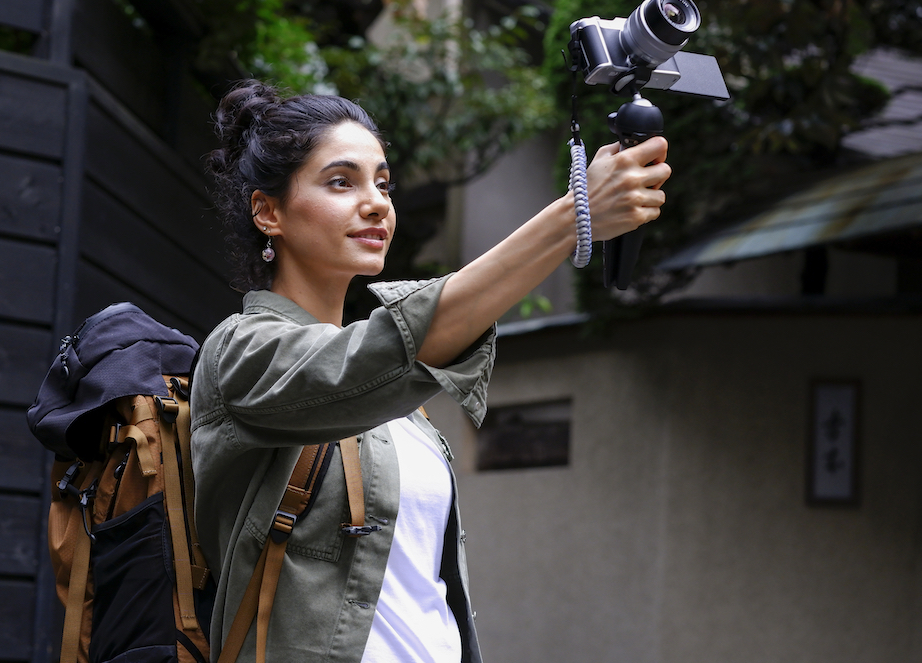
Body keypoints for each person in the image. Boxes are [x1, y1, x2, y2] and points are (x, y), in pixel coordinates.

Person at [190, 79, 670, 663]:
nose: (376, 203)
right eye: (341, 182)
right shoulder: (242, 353)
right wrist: (574, 215)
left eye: (383, 183)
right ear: (268, 211)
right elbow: (388, 352)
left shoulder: (405, 410)